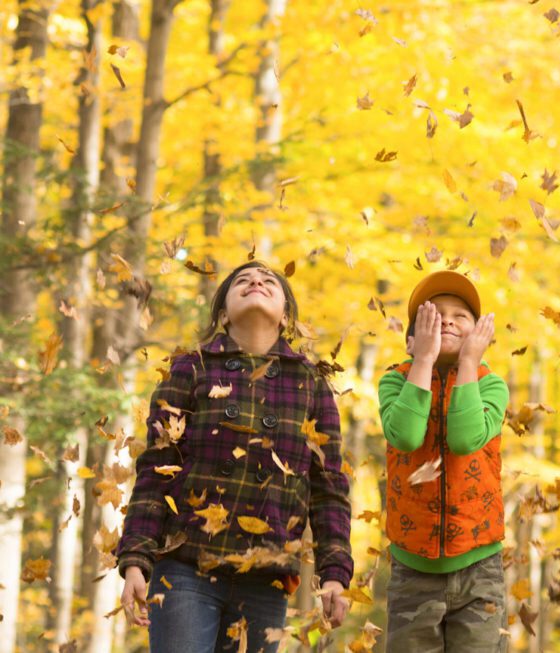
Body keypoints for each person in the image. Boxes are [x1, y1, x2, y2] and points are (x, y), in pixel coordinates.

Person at [116, 261, 353, 652]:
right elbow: (156, 471)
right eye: (242, 280)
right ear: (223, 313)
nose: (256, 281)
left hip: (266, 577)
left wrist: (334, 574)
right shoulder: (190, 368)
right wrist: (136, 558)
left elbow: (329, 489)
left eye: (267, 281)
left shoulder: (311, 383)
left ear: (286, 316)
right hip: (186, 566)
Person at [378, 270, 509, 652]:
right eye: (434, 315)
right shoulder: (395, 381)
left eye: (460, 316)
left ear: (479, 337)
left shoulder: (490, 384)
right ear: (409, 341)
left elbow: (465, 439)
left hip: (478, 565)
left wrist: (468, 364)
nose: (448, 320)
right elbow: (405, 435)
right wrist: (423, 360)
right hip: (412, 567)